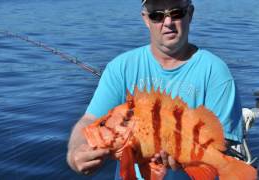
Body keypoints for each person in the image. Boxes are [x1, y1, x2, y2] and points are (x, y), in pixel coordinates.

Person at [67, 0, 243, 179]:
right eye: (157, 15)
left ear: (190, 13)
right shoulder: (121, 67)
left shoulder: (215, 71)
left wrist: (184, 156)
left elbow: (222, 141)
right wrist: (76, 152)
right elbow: (89, 120)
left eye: (176, 13)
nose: (167, 23)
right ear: (146, 19)